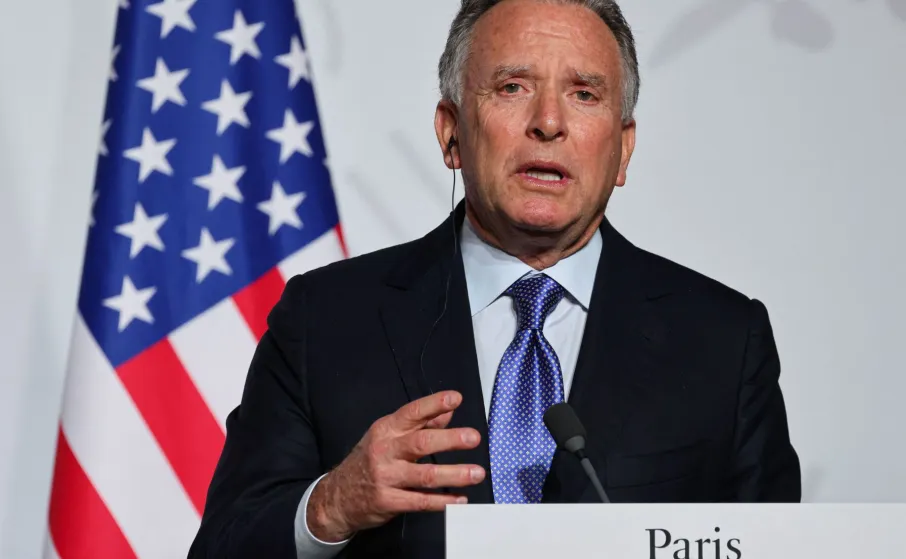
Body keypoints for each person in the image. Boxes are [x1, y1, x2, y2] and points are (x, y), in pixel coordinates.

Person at [187, 0, 801, 557]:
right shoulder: (325, 318)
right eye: (512, 87)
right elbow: (222, 546)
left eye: (585, 94)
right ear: (451, 132)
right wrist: (332, 506)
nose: (549, 122)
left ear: (623, 147)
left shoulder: (723, 339)